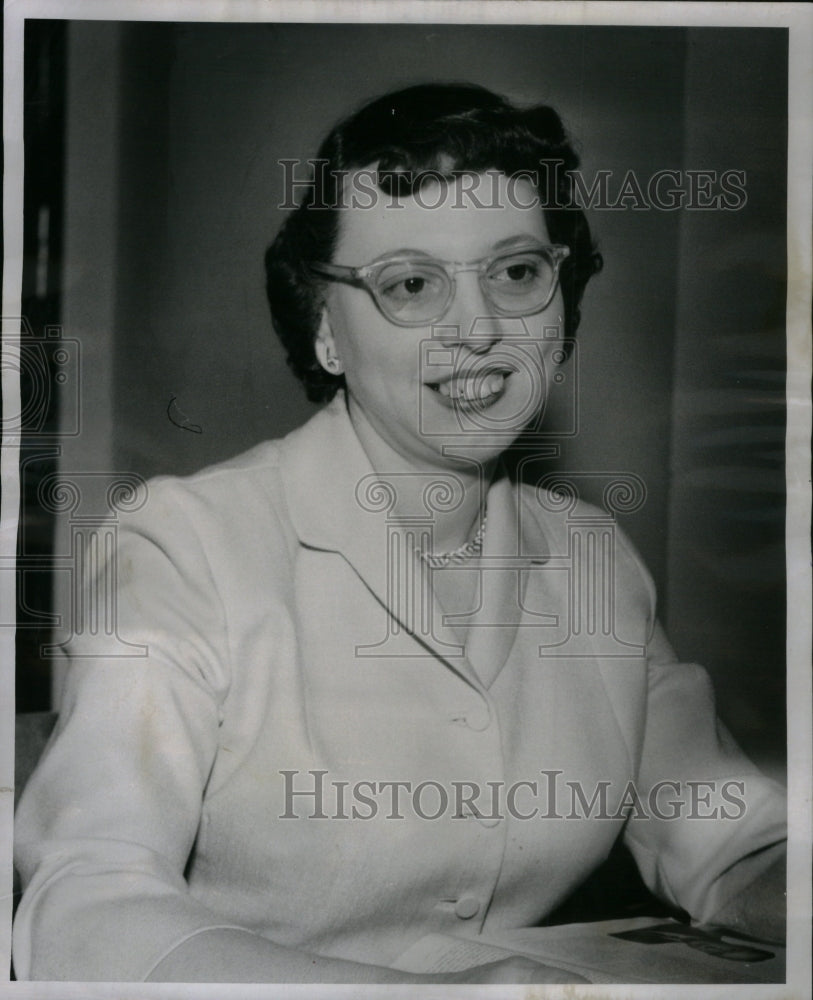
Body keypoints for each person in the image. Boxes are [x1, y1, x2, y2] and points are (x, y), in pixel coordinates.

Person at [13, 83, 786, 983]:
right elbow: (84, 905)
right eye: (411, 284)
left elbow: (727, 837)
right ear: (325, 330)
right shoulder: (184, 545)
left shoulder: (589, 560)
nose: (479, 328)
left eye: (516, 272)